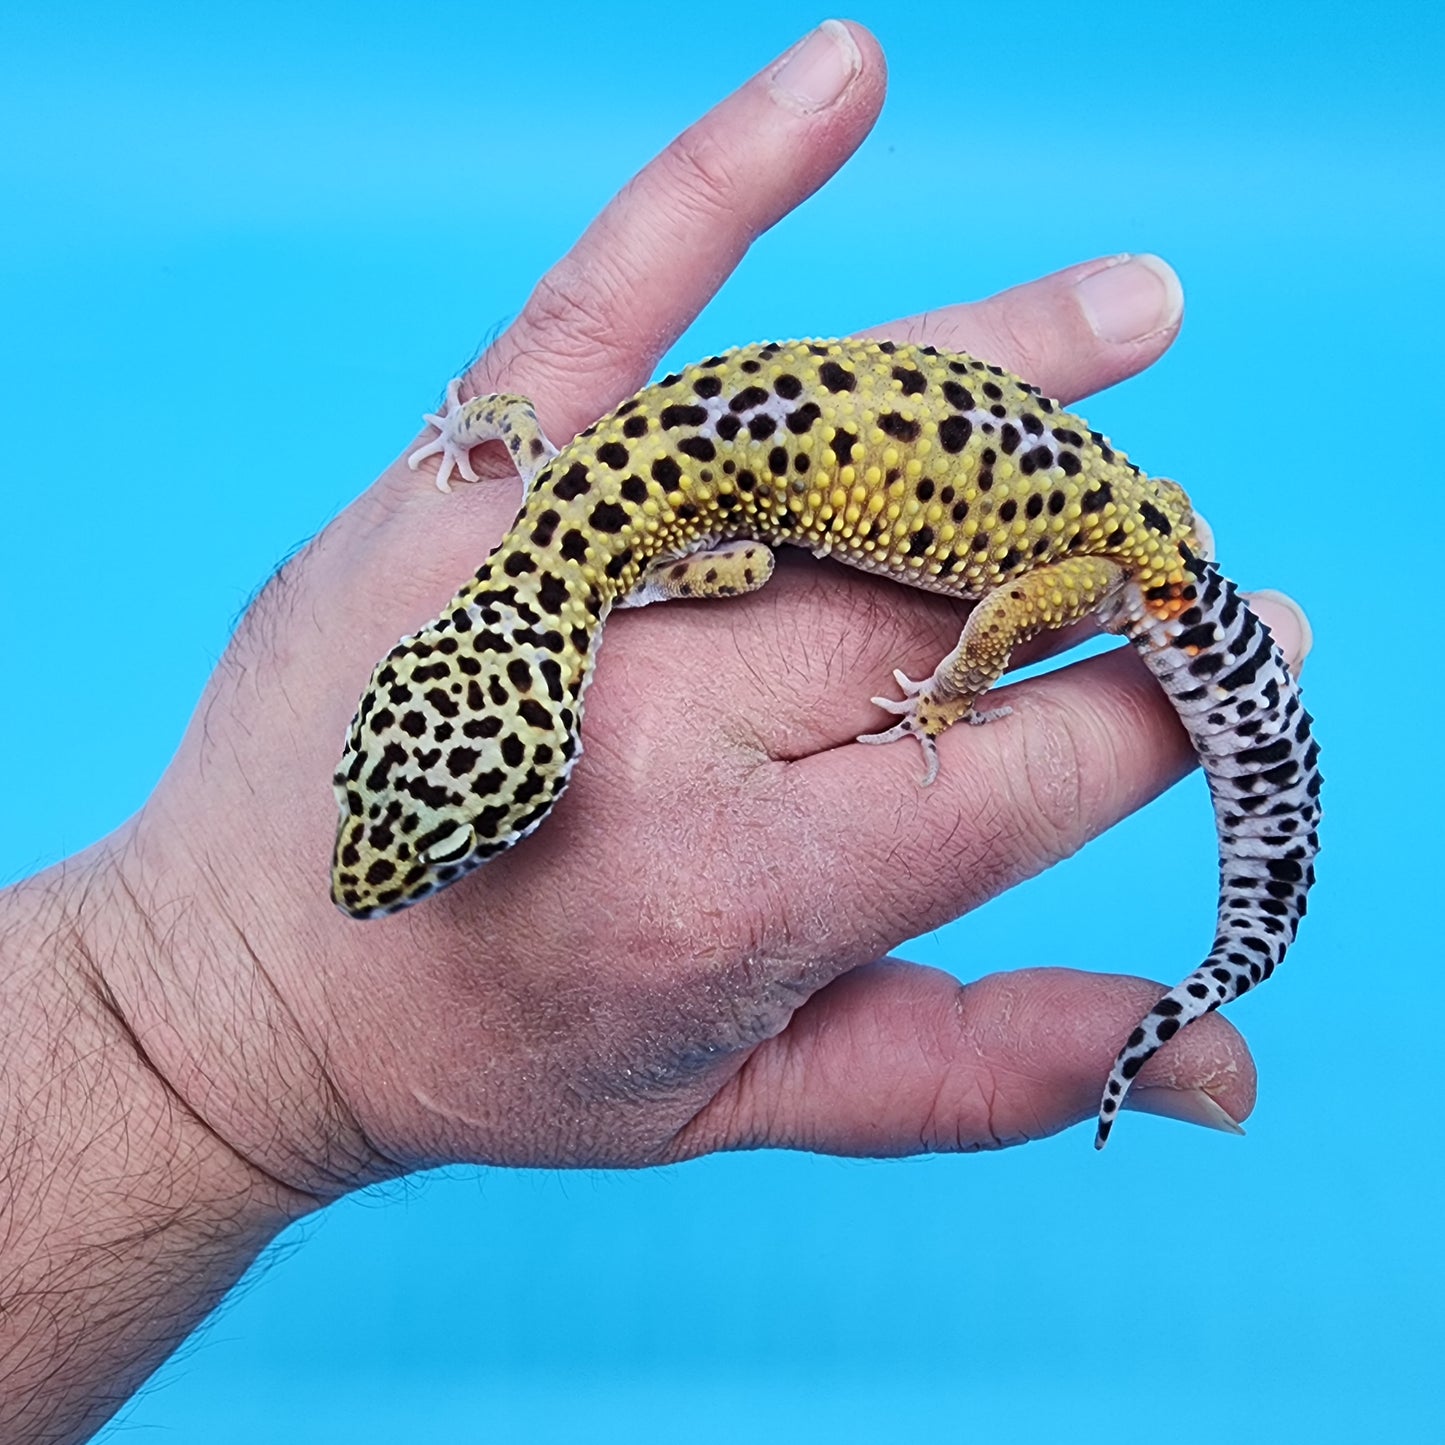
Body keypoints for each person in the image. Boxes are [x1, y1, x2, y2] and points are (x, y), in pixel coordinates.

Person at [0, 20, 1308, 1444]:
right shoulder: (544, 491)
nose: (373, 880)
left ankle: (1162, 833)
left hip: (1098, 561)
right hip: (1078, 490)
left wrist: (943, 696)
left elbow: (736, 566)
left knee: (1026, 626)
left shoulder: (587, 549)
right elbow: (527, 429)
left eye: (444, 844)